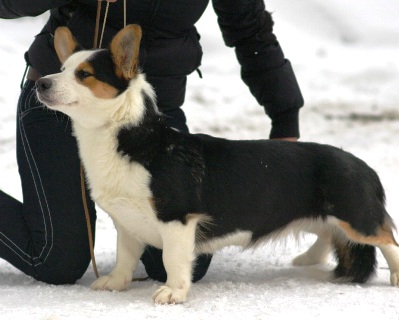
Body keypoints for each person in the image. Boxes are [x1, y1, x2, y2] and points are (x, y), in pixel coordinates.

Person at [0, 0, 304, 285]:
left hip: (154, 113)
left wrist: (284, 116)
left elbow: (251, 31)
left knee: (181, 258)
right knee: (56, 259)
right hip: (58, 103)